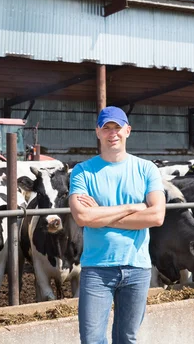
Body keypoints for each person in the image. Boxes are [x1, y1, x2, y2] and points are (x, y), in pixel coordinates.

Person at [68, 106, 166, 344]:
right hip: (97, 268)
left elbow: (156, 217)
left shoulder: (146, 169)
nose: (113, 133)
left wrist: (100, 214)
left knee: (127, 338)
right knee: (91, 340)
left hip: (137, 267)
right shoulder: (82, 171)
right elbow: (82, 218)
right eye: (106, 128)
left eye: (118, 127)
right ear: (98, 132)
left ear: (128, 131)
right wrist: (133, 207)